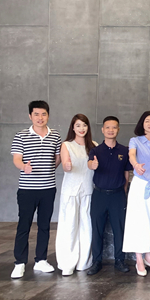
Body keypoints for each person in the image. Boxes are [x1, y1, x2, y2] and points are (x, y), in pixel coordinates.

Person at [10, 101, 62, 279]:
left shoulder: (55, 136)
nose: (40, 118)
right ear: (30, 116)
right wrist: (24, 167)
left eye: (43, 114)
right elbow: (17, 158)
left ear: (48, 115)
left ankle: (41, 260)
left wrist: (48, 170)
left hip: (48, 188)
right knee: (24, 225)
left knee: (44, 226)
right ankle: (19, 263)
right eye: (36, 114)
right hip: (27, 189)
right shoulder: (21, 135)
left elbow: (57, 158)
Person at [122, 111, 150, 277]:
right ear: (142, 123)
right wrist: (135, 165)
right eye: (147, 121)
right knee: (139, 221)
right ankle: (139, 259)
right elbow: (131, 155)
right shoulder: (135, 141)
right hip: (141, 185)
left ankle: (149, 257)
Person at [87, 116, 132, 276]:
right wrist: (92, 165)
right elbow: (90, 163)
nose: (111, 130)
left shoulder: (124, 151)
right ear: (102, 130)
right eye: (107, 127)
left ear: (118, 130)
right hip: (99, 195)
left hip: (117, 196)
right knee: (97, 229)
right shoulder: (95, 150)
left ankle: (120, 260)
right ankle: (96, 261)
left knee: (119, 229)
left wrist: (124, 192)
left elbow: (126, 174)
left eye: (114, 127)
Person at [55, 114, 97, 276]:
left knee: (86, 226)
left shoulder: (94, 145)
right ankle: (67, 263)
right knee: (70, 227)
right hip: (71, 191)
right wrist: (67, 166)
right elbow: (66, 164)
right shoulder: (67, 145)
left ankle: (84, 262)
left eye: (84, 125)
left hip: (88, 190)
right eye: (78, 125)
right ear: (73, 127)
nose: (81, 128)